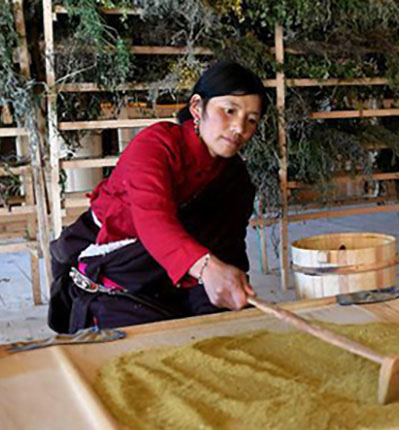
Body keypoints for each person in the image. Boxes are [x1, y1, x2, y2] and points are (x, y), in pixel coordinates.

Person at [48, 60, 267, 334]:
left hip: (179, 279)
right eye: (229, 111)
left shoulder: (236, 179)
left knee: (226, 335)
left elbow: (228, 247)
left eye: (251, 120)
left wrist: (229, 290)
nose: (239, 127)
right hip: (119, 276)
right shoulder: (157, 145)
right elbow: (153, 220)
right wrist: (207, 268)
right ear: (197, 107)